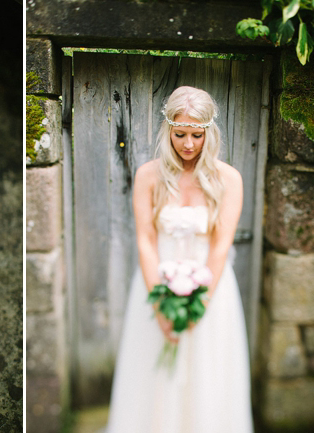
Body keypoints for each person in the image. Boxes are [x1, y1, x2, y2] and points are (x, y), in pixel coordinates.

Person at [105, 86, 254, 432]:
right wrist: (159, 305)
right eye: (181, 134)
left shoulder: (228, 180)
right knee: (154, 370)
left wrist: (199, 303)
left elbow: (220, 246)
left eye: (197, 135)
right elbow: (145, 239)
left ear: (209, 132)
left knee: (208, 370)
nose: (188, 144)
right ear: (168, 130)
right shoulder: (148, 176)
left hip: (210, 285)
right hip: (156, 281)